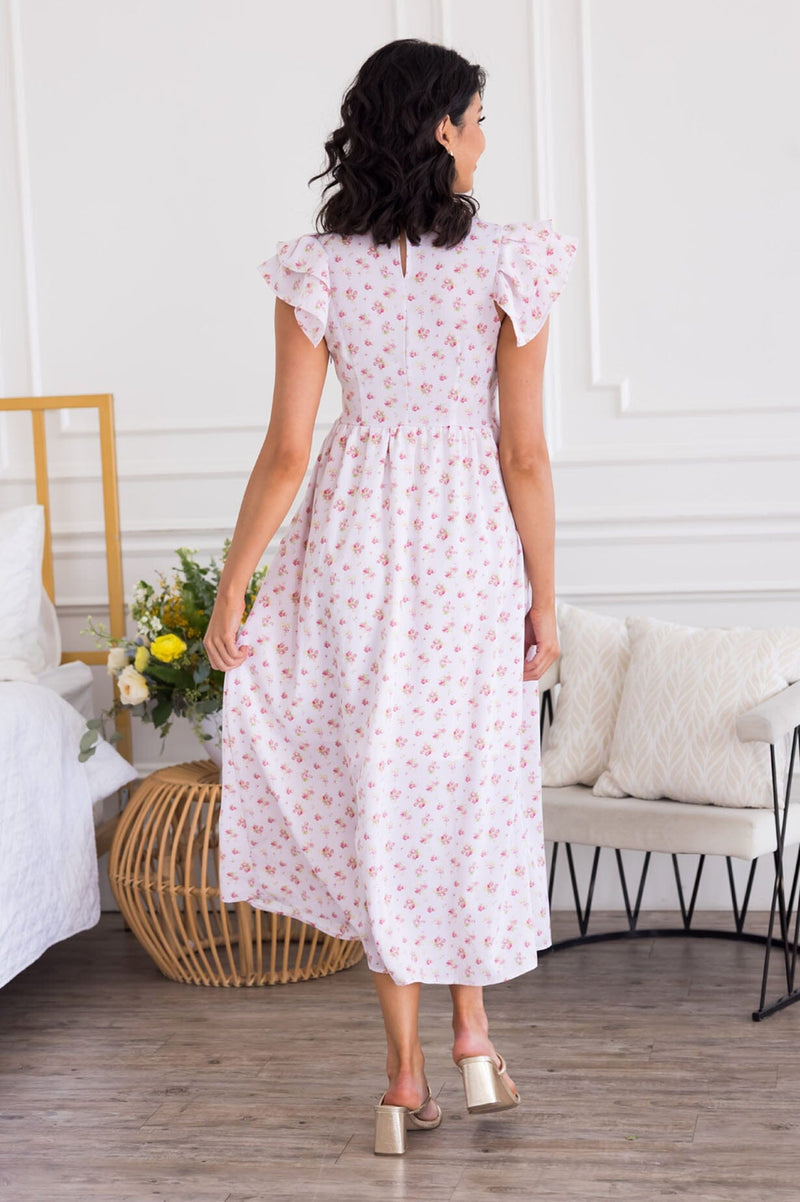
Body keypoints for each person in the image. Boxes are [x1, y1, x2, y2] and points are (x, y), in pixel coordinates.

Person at [204, 37, 579, 1155]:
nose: (484, 139)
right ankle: (473, 1036)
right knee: (462, 787)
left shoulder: (317, 269)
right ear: (439, 128)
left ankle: (403, 1076)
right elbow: (523, 453)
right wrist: (544, 598)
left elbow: (286, 451)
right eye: (476, 118)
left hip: (354, 543)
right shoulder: (509, 264)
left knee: (382, 794)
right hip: (468, 546)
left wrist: (236, 587)